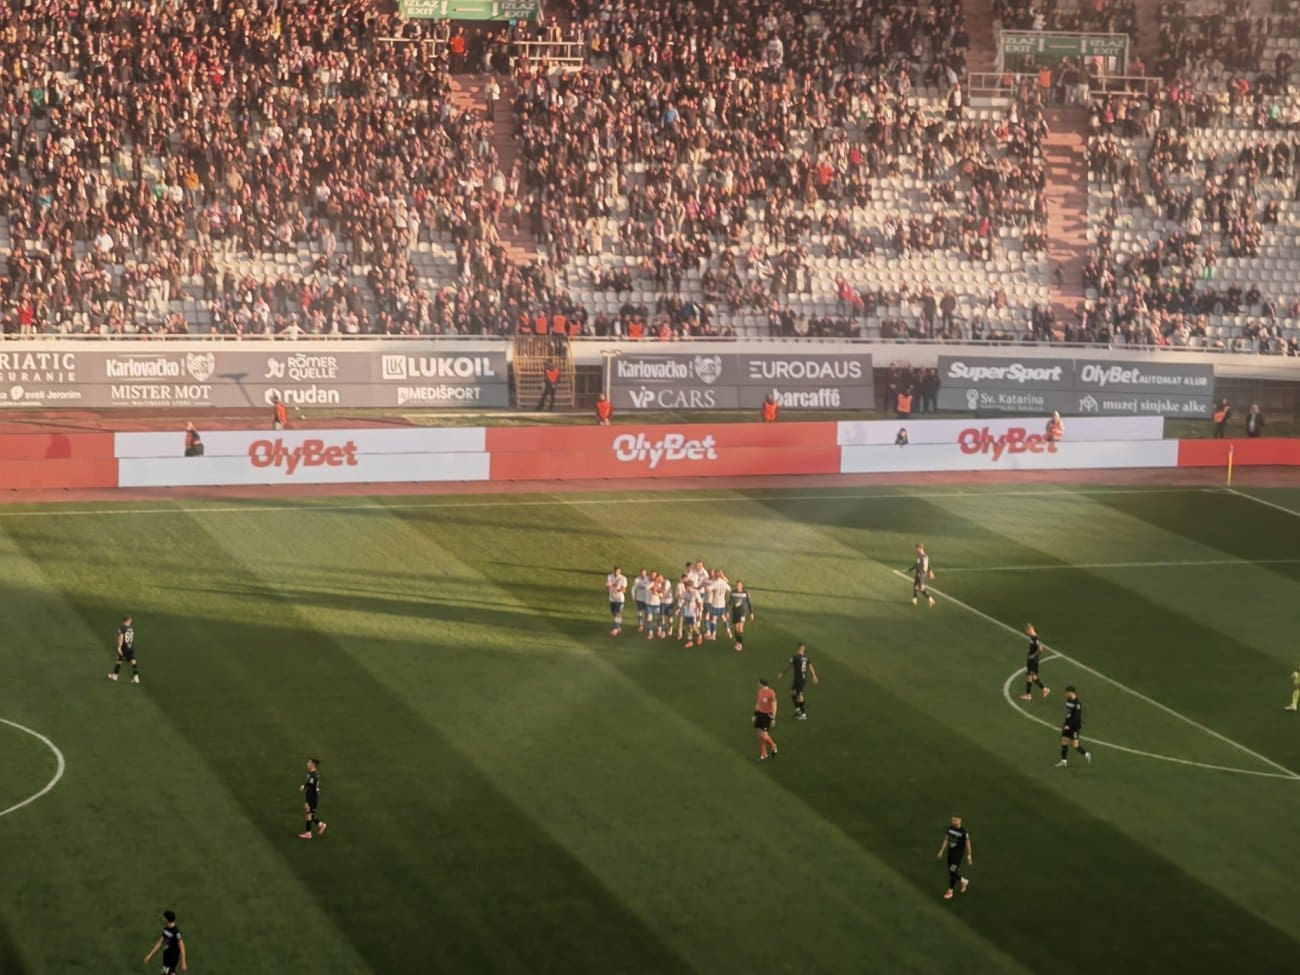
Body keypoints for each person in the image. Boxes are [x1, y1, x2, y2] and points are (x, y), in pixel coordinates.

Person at [778, 642, 819, 719]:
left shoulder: (795, 657)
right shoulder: (807, 657)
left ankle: (803, 714)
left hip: (799, 679)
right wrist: (814, 676)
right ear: (803, 648)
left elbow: (789, 666)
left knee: (800, 694)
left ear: (797, 648)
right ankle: (798, 710)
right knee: (791, 692)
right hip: (801, 678)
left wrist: (782, 673)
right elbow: (810, 667)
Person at [936, 816, 972, 900]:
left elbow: (968, 844)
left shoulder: (963, 832)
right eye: (952, 820)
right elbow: (946, 840)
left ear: (960, 820)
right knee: (951, 871)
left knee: (952, 871)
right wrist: (941, 851)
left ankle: (950, 891)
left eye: (955, 820)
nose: (953, 821)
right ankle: (963, 881)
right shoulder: (950, 829)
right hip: (951, 853)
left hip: (958, 855)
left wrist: (969, 856)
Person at [1056, 687, 1092, 767]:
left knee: (1075, 745)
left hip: (1075, 726)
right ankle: (1064, 761)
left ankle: (1086, 754)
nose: (1065, 694)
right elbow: (1069, 713)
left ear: (1072, 693)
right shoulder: (1068, 700)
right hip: (1067, 724)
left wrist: (1069, 725)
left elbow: (1076, 717)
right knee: (1064, 741)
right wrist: (1066, 723)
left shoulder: (1077, 703)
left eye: (1067, 692)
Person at [1019, 624, 1051, 700]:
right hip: (1032, 660)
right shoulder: (1032, 637)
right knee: (1033, 677)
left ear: (1030, 630)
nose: (1026, 633)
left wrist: (1033, 655)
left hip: (1033, 660)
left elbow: (1041, 649)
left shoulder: (1036, 639)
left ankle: (1028, 695)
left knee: (1029, 676)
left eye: (1027, 631)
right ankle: (1045, 689)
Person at [298, 757, 328, 839]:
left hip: (312, 797)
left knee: (308, 814)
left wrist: (307, 801)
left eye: (309, 763)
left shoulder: (313, 776)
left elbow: (311, 790)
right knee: (309, 814)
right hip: (313, 796)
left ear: (313, 765)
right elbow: (309, 783)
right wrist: (304, 786)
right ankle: (320, 825)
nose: (307, 764)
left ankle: (309, 833)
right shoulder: (312, 773)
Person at [108, 614, 140, 684]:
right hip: (130, 647)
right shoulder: (131, 629)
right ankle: (136, 677)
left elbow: (121, 637)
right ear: (128, 620)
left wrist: (119, 647)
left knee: (119, 660)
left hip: (124, 647)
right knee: (133, 661)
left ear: (124, 620)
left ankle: (115, 676)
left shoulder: (122, 628)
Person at [753, 678, 779, 761]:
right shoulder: (760, 692)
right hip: (760, 714)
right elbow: (758, 703)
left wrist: (773, 718)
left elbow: (774, 705)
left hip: (767, 715)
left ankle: (773, 746)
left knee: (764, 736)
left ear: (762, 684)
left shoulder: (771, 693)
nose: (757, 685)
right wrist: (755, 714)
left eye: (758, 683)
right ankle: (763, 754)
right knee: (759, 736)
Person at [705, 570, 731, 641]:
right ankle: (729, 631)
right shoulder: (724, 583)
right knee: (723, 617)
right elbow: (729, 589)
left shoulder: (716, 583)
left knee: (713, 619)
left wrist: (710, 590)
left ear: (716, 575)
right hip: (722, 604)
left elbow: (708, 589)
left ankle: (713, 635)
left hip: (716, 604)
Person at [729, 580, 754, 652]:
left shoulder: (745, 593)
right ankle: (737, 642)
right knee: (736, 629)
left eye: (739, 585)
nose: (738, 586)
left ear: (742, 586)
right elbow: (730, 602)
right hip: (735, 612)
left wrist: (751, 613)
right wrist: (727, 611)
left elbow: (749, 603)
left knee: (740, 628)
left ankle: (740, 644)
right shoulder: (733, 593)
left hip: (742, 612)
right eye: (737, 585)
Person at [605, 565, 628, 636]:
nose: (616, 572)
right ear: (613, 570)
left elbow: (624, 589)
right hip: (612, 598)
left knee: (618, 613)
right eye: (615, 571)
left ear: (620, 571)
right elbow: (607, 586)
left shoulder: (623, 578)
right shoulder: (610, 576)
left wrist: (617, 589)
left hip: (620, 599)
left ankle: (616, 629)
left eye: (618, 571)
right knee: (614, 614)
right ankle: (618, 627)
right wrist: (607, 586)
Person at [681, 580, 703, 648]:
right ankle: (690, 641)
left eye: (686, 586)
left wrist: (700, 613)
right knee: (688, 627)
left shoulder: (695, 593)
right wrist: (679, 608)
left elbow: (700, 603)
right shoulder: (685, 593)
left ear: (690, 586)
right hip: (687, 612)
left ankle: (699, 635)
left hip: (693, 613)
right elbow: (684, 602)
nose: (685, 588)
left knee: (693, 626)